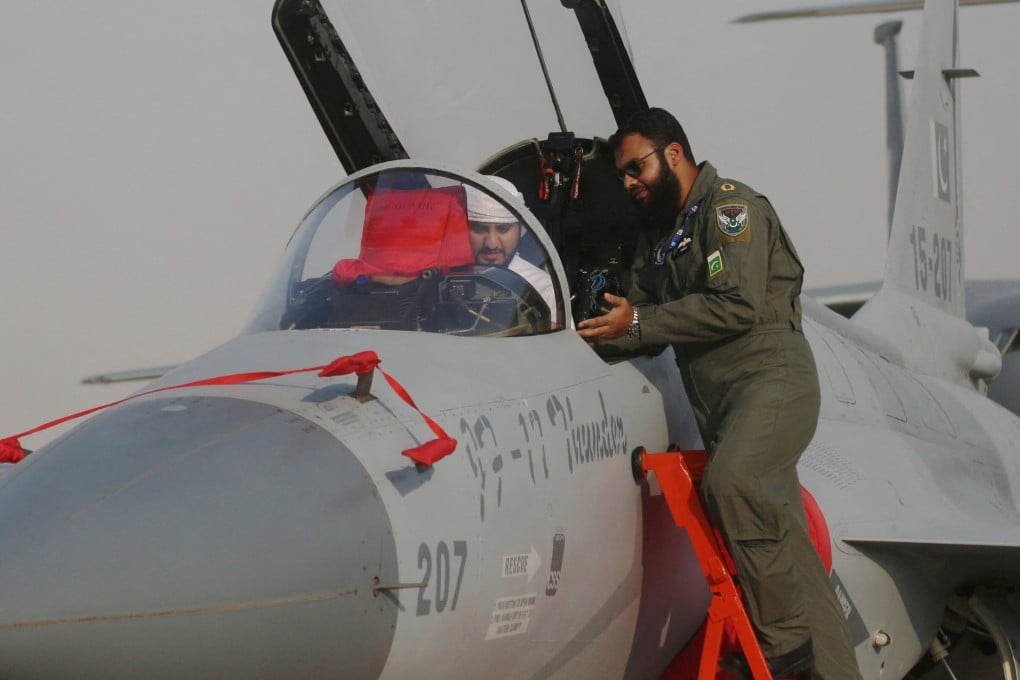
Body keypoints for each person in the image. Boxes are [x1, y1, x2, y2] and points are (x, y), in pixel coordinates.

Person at [577, 108, 861, 679]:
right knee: (787, 547)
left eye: (637, 167)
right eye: (623, 175)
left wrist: (637, 324)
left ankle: (784, 654)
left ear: (674, 154)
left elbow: (736, 304)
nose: (630, 182)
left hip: (771, 383)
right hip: (722, 403)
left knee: (733, 483)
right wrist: (579, 338)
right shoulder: (659, 239)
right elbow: (641, 320)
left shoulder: (731, 209)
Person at [465, 176, 558, 326]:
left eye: (503, 229)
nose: (492, 244)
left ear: (520, 228)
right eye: (479, 229)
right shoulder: (437, 276)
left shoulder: (542, 288)